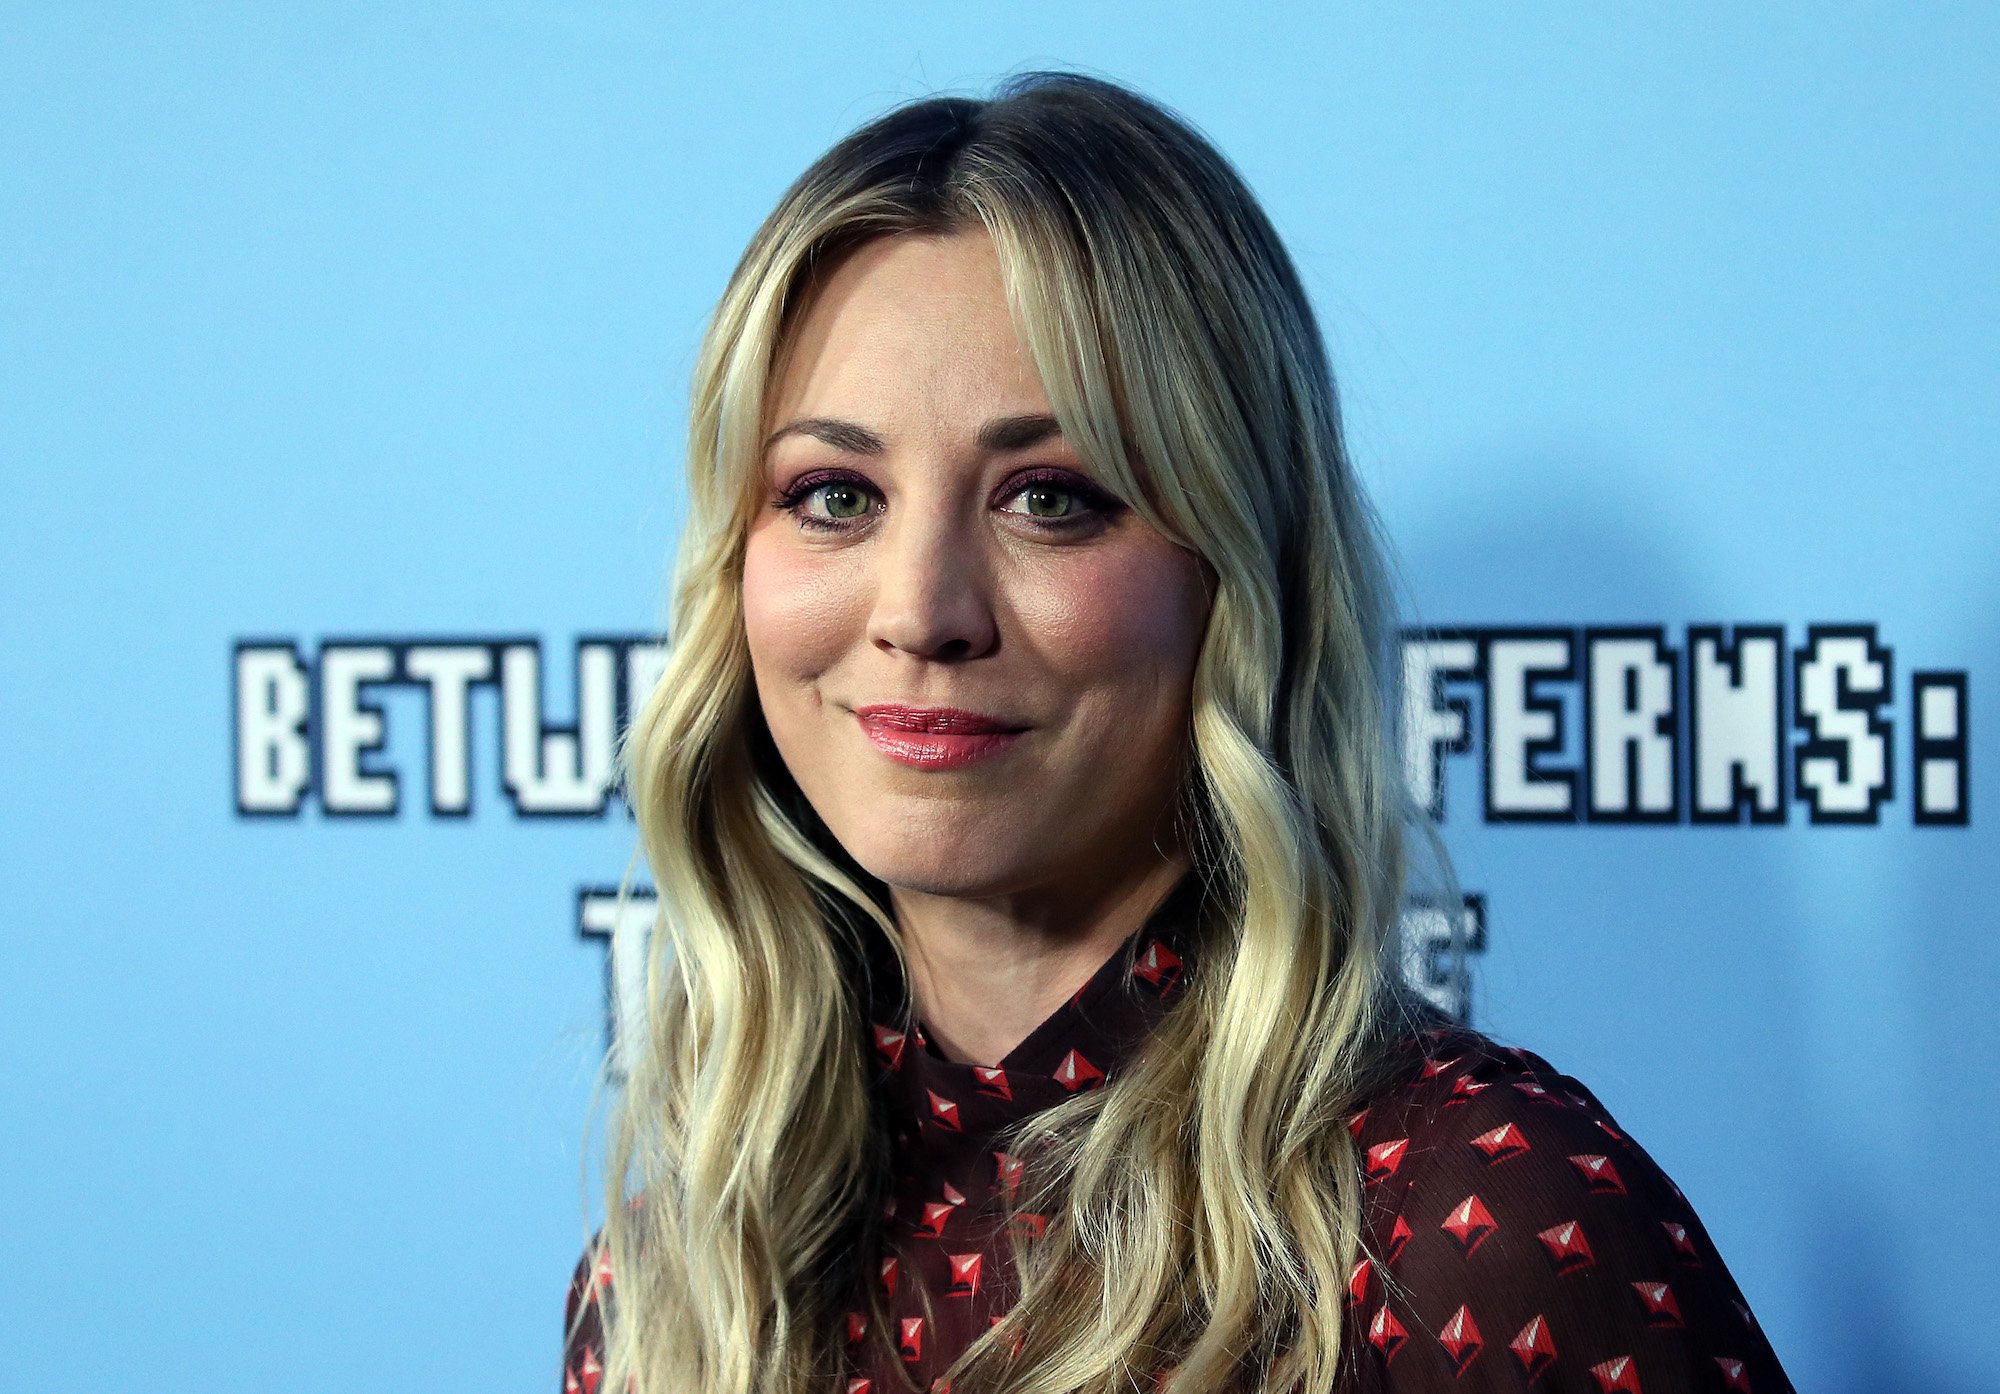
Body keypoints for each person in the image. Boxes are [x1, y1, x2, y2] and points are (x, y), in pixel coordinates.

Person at [561, 70, 1796, 1394]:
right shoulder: (673, 1282)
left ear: (1236, 576)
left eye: (1050, 496)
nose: (921, 609)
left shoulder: (1473, 1224)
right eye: (833, 493)